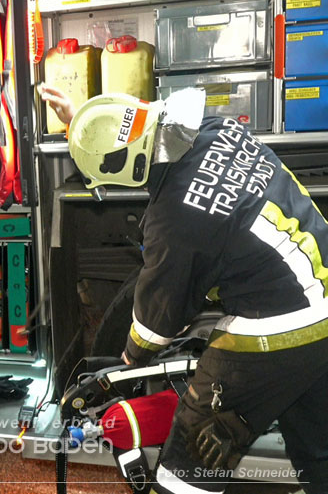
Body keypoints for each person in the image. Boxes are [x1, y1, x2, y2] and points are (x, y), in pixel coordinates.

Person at [55, 89, 328, 494]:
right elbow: (123, 131)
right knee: (317, 447)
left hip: (280, 323)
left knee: (188, 465)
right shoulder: (214, 128)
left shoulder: (174, 222)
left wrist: (128, 363)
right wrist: (82, 122)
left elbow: (154, 325)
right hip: (322, 286)